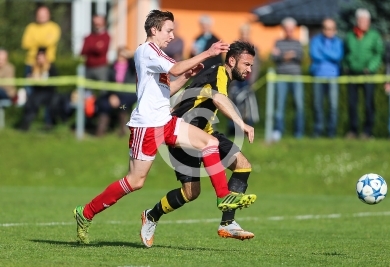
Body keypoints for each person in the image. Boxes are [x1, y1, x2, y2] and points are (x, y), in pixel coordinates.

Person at [73, 10, 256, 245]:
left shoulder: (157, 54)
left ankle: (223, 197)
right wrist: (207, 53)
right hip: (147, 126)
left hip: (166, 121)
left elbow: (166, 90)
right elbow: (176, 68)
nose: (172, 35)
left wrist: (186, 76)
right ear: (154, 30)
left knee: (209, 142)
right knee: (135, 181)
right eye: (169, 30)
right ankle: (85, 213)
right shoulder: (146, 51)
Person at [140, 41, 257, 247]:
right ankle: (151, 215)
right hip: (181, 134)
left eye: (251, 66)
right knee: (190, 193)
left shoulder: (219, 75)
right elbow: (219, 99)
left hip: (205, 134)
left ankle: (227, 223)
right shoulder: (219, 72)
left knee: (243, 165)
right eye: (246, 64)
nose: (249, 69)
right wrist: (242, 124)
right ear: (232, 60)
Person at [343, 8, 384, 139]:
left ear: (369, 22)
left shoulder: (374, 36)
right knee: (352, 104)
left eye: (365, 20)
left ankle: (367, 131)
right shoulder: (350, 35)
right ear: (357, 21)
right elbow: (345, 54)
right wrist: (346, 66)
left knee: (368, 104)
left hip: (368, 75)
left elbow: (378, 54)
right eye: (360, 20)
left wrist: (370, 68)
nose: (363, 22)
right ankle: (353, 130)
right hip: (352, 75)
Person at [309, 18, 344, 138]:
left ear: (335, 30)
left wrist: (323, 51)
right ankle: (318, 131)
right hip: (318, 75)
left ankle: (331, 132)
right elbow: (314, 54)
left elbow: (338, 56)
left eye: (331, 29)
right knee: (318, 105)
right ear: (322, 29)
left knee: (333, 106)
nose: (328, 31)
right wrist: (330, 54)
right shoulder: (315, 40)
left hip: (333, 77)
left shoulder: (338, 42)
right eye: (326, 28)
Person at [271, 17, 304, 141]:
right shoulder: (278, 42)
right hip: (281, 77)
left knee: (299, 104)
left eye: (292, 29)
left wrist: (282, 56)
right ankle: (278, 131)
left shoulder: (298, 43)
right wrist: (290, 55)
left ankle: (299, 133)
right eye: (287, 29)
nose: (289, 31)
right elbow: (274, 57)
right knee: (279, 105)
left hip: (296, 76)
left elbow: (300, 56)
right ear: (284, 29)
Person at [95, 47, 137, 137]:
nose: (122, 58)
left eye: (124, 55)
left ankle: (123, 131)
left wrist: (130, 56)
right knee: (104, 105)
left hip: (128, 95)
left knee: (122, 106)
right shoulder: (111, 68)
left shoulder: (132, 67)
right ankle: (100, 132)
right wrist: (112, 95)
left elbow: (136, 62)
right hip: (114, 95)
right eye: (120, 55)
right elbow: (108, 84)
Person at [226, 24, 260, 136]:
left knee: (247, 105)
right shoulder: (235, 49)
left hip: (248, 81)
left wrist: (252, 81)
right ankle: (233, 129)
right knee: (233, 104)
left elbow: (256, 66)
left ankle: (248, 129)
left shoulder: (255, 49)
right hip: (236, 80)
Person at [18, 48, 58, 131]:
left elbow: (53, 84)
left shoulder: (51, 68)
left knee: (36, 100)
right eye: (38, 58)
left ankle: (48, 124)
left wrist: (40, 80)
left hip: (48, 93)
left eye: (41, 57)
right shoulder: (34, 68)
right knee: (30, 101)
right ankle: (25, 124)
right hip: (37, 92)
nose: (39, 60)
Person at [21, 5, 61, 88]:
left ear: (49, 15)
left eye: (44, 14)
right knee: (29, 90)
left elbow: (49, 42)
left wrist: (35, 41)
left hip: (47, 63)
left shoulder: (54, 27)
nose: (41, 16)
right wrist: (43, 40)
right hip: (31, 62)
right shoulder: (30, 27)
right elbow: (25, 44)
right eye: (40, 14)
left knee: (49, 89)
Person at [81, 15, 111, 120]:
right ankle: (88, 118)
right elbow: (83, 51)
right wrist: (95, 47)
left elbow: (101, 51)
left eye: (99, 22)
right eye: (95, 22)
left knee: (104, 93)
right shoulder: (88, 37)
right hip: (88, 68)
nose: (97, 25)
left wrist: (91, 48)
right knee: (87, 95)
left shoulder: (106, 37)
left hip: (101, 68)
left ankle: (104, 119)